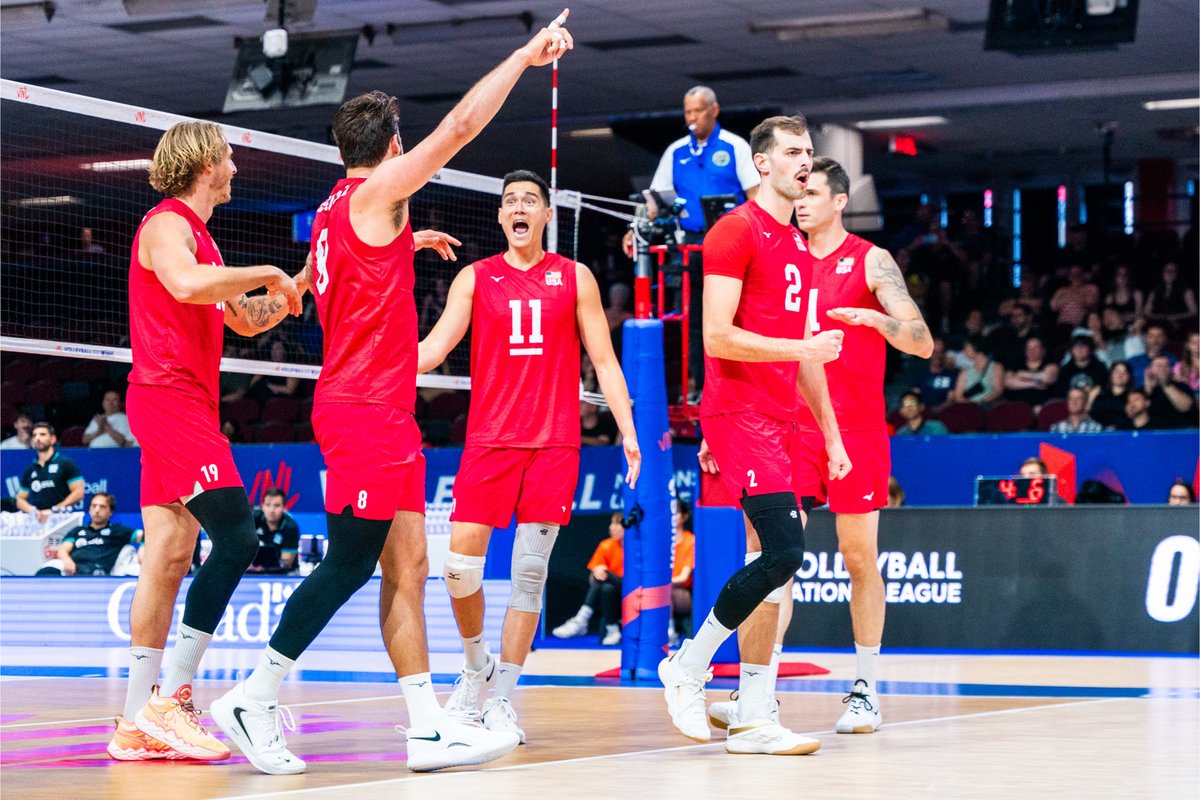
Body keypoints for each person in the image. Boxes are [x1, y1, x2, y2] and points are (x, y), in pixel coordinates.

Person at [209, 16, 575, 775]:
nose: (413, 149)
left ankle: (426, 726)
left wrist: (402, 246)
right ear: (390, 148)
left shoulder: (335, 212)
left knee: (406, 568)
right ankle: (255, 692)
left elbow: (333, 273)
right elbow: (464, 125)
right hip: (362, 411)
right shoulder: (379, 190)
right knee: (350, 564)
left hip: (382, 412)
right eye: (405, 141)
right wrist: (523, 56)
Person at [708, 155, 932, 739]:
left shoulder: (872, 260)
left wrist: (872, 319)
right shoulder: (781, 254)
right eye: (798, 189)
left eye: (814, 191)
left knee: (859, 557)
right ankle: (757, 693)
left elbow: (922, 342)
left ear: (840, 201)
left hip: (855, 429)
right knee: (771, 559)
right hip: (782, 425)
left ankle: (865, 689)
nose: (802, 199)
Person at [416, 169, 640, 743]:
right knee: (458, 568)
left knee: (529, 574)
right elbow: (434, 350)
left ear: (546, 215)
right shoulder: (475, 277)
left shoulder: (575, 277)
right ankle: (475, 666)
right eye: (510, 200)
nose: (519, 207)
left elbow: (606, 363)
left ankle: (503, 699)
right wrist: (370, 356)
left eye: (530, 201)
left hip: (553, 443)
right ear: (500, 216)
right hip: (490, 441)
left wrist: (628, 432)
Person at [108, 120, 304, 764]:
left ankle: (136, 721)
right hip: (168, 400)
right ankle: (175, 698)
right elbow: (186, 286)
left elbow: (245, 322)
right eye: (228, 158)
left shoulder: (207, 243)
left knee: (168, 556)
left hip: (189, 403)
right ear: (201, 164)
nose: (236, 169)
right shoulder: (166, 225)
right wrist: (270, 269)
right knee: (240, 536)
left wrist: (296, 287)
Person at [657, 114, 845, 756]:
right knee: (786, 553)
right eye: (793, 152)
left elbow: (808, 358)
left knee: (770, 568)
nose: (804, 161)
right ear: (761, 163)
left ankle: (754, 714)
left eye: (810, 153)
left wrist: (833, 436)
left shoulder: (798, 245)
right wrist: (803, 346)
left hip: (785, 419)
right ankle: (686, 666)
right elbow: (715, 335)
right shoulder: (734, 231)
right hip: (741, 414)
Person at [649, 86, 761, 399]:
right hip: (693, 247)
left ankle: (744, 385)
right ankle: (703, 386)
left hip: (735, 246)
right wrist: (641, 225)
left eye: (698, 111)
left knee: (740, 317)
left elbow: (757, 198)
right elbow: (654, 201)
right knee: (698, 321)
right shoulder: (675, 152)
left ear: (714, 110)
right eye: (687, 112)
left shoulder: (735, 146)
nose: (692, 118)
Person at [553, 512, 626, 646]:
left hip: (631, 593)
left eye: (617, 523)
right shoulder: (606, 545)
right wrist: (597, 571)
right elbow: (594, 579)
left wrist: (605, 573)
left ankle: (581, 619)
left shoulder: (637, 547)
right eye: (611, 523)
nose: (611, 527)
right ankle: (612, 629)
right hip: (610, 595)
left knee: (606, 576)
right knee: (606, 588)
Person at [36, 492, 141, 576]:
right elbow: (63, 550)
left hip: (100, 573)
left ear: (110, 512)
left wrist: (143, 548)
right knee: (47, 572)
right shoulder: (77, 531)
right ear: (89, 509)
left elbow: (144, 536)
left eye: (102, 507)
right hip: (74, 571)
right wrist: (67, 561)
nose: (97, 510)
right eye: (94, 506)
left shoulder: (118, 530)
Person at [15, 422, 85, 522]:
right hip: (38, 520)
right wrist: (33, 511)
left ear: (52, 439)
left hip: (62, 518)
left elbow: (79, 492)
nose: (38, 438)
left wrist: (54, 510)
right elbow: (20, 499)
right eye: (35, 435)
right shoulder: (30, 469)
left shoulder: (65, 463)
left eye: (42, 434)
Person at [248, 488, 300, 574]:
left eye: (277, 505)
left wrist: (264, 570)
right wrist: (250, 566)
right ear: (262, 506)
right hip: (255, 570)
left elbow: (286, 564)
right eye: (268, 505)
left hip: (285, 574)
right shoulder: (254, 519)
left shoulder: (290, 526)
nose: (272, 510)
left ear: (284, 508)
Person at [1003, 337, 1058, 410]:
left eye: (1035, 347)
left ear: (1043, 350)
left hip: (1041, 406)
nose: (1031, 350)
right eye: (1028, 347)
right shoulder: (1016, 364)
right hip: (1016, 406)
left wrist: (1022, 375)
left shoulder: (1050, 364)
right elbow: (1007, 382)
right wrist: (1033, 384)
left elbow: (1047, 378)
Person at [1142, 355, 1196, 429]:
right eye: (1159, 366)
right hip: (1153, 433)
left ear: (1171, 369)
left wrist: (1165, 384)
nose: (1162, 369)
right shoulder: (1142, 390)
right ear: (1150, 369)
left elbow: (1186, 407)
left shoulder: (1182, 386)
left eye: (1166, 366)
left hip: (1180, 430)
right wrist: (1148, 390)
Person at [949, 335, 1005, 406]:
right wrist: (970, 404)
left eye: (966, 347)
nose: (964, 350)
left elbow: (998, 391)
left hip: (989, 406)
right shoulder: (965, 371)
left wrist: (983, 402)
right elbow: (958, 396)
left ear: (975, 347)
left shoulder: (996, 367)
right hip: (970, 408)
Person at [1144, 261, 1197, 334]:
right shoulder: (1155, 290)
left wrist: (1176, 317)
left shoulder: (1186, 290)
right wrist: (1163, 318)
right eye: (1167, 271)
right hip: (1159, 323)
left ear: (1177, 274)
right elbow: (1147, 312)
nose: (1169, 273)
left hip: (1180, 323)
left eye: (1173, 271)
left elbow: (1193, 312)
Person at [670, 500, 696, 645]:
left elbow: (683, 578)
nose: (672, 516)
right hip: (662, 591)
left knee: (665, 591)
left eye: (676, 512)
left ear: (684, 517)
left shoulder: (690, 541)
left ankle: (669, 632)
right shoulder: (661, 541)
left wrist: (662, 584)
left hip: (683, 593)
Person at [1088, 360, 1133, 429]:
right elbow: (1090, 413)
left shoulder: (1133, 397)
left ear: (1129, 376)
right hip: (1098, 432)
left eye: (1124, 372)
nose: (1120, 375)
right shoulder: (1099, 393)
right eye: (1117, 371)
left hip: (1123, 433)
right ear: (1111, 374)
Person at [915, 337, 957, 409]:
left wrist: (937, 409)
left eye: (940, 351)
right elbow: (915, 395)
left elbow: (951, 399)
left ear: (944, 353)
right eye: (933, 351)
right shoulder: (920, 373)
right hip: (923, 410)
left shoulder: (952, 374)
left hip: (945, 410)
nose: (936, 355)